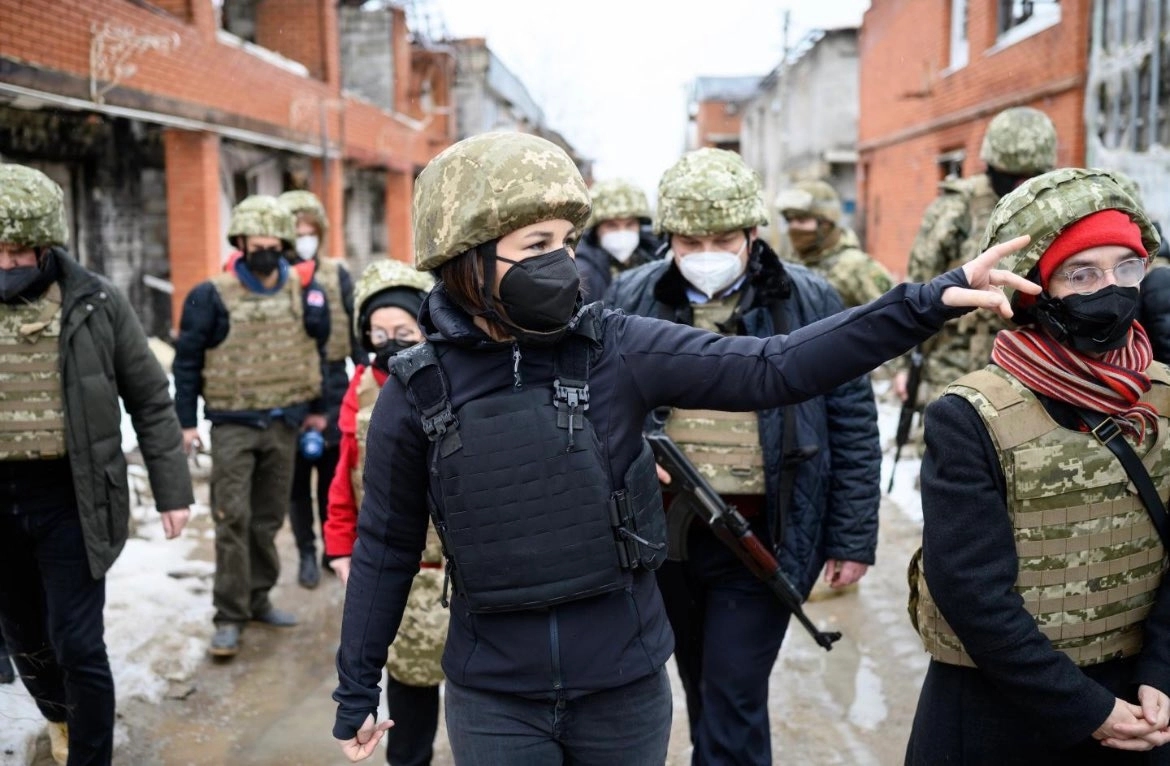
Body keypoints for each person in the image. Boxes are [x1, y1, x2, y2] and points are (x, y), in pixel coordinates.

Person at [329, 130, 1033, 765]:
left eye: (568, 245)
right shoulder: (415, 392)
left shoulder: (613, 346)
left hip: (622, 690)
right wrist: (357, 686)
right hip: (493, 697)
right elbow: (386, 547)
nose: (567, 267)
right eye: (538, 247)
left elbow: (776, 365)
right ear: (467, 257)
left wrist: (929, 300)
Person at [606, 149, 880, 765]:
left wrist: (853, 536)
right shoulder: (631, 293)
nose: (706, 251)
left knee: (735, 690)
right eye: (690, 238)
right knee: (700, 683)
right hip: (663, 535)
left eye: (723, 237)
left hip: (763, 533)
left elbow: (852, 419)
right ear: (667, 237)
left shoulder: (808, 299)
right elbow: (599, 402)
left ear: (754, 233)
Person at [906, 167, 1170, 764]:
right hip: (999, 713)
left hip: (1142, 709)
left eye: (1126, 267)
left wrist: (1162, 670)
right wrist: (1085, 709)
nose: (1112, 288)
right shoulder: (968, 415)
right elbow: (972, 592)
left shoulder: (1164, 397)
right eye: (1081, 274)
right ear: (1033, 291)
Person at [0, 163, 193, 765]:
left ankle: (88, 757)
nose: (8, 265)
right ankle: (59, 716)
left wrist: (173, 491)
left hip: (73, 499)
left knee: (77, 643)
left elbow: (150, 398)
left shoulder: (96, 303)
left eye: (20, 251)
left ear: (47, 243)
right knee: (24, 639)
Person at [173, 194, 328, 659]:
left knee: (266, 519)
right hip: (233, 425)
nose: (263, 250)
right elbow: (186, 363)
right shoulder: (210, 294)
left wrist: (315, 409)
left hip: (284, 421)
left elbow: (313, 350)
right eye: (254, 243)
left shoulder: (301, 290)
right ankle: (229, 616)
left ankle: (259, 598)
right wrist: (185, 423)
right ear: (240, 242)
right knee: (231, 519)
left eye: (271, 243)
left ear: (282, 244)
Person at [323, 258, 444, 766]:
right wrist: (339, 547)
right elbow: (345, 479)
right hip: (404, 575)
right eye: (378, 331)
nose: (390, 340)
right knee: (410, 695)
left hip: (460, 572)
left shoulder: (455, 378)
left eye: (403, 330)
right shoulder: (362, 391)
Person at [897, 106, 1058, 404]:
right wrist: (904, 365)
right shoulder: (956, 208)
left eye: (1031, 177)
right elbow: (917, 291)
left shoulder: (1059, 206)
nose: (1020, 186)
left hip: (1029, 362)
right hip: (953, 363)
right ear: (990, 166)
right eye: (1011, 176)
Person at [278, 189, 360, 590]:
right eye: (296, 231)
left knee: (332, 475)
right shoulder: (276, 278)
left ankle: (333, 549)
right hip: (290, 385)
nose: (304, 237)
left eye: (310, 231)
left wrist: (365, 373)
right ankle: (306, 553)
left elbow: (355, 324)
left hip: (332, 381)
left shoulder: (335, 274)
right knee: (296, 481)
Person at [774, 178, 893, 308]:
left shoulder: (856, 268)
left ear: (826, 223)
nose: (793, 227)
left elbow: (893, 313)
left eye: (801, 220)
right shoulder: (789, 265)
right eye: (789, 220)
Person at [574, 178, 660, 301]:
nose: (622, 232)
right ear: (595, 229)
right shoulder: (583, 272)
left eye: (630, 224)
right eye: (611, 225)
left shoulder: (654, 258)